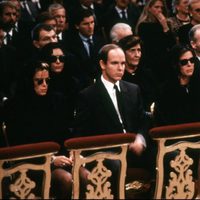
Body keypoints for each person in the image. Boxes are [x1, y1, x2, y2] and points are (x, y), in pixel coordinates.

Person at [3, 61, 88, 199]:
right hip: (30, 164)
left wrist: (71, 152)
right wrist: (51, 160)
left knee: (85, 175)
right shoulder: (14, 107)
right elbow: (20, 143)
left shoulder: (56, 100)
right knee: (65, 179)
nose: (44, 85)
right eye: (39, 81)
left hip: (60, 159)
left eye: (47, 81)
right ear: (28, 81)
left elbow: (65, 134)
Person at [74, 44, 154, 177]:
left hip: (134, 148)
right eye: (115, 63)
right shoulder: (88, 95)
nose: (120, 68)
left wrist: (140, 138)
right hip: (107, 153)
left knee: (166, 156)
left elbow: (143, 120)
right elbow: (82, 132)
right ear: (102, 64)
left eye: (123, 63)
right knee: (115, 164)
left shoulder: (133, 89)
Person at [154, 44, 200, 126]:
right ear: (175, 64)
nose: (189, 64)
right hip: (177, 134)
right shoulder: (165, 91)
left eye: (192, 60)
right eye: (184, 62)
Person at [135, 0, 176, 84]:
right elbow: (154, 45)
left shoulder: (166, 24)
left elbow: (172, 44)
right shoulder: (143, 26)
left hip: (167, 62)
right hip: (151, 63)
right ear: (149, 8)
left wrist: (165, 26)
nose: (160, 10)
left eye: (161, 8)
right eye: (156, 7)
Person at [66, 9, 105, 89]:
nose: (90, 27)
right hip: (81, 86)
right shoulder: (70, 44)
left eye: (92, 22)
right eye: (86, 24)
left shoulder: (101, 41)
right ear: (77, 26)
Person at [118, 34, 157, 113]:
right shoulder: (119, 78)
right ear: (123, 53)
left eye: (139, 50)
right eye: (132, 50)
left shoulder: (147, 74)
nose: (137, 55)